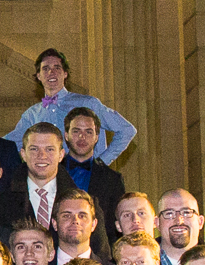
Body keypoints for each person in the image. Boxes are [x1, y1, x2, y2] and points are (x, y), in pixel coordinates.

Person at [9, 49, 137, 165]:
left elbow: (126, 130)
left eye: (57, 68)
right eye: (45, 68)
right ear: (38, 76)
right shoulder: (32, 114)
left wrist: (102, 162)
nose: (51, 72)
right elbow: (10, 145)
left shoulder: (88, 103)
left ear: (65, 73)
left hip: (86, 181)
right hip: (49, 183)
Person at [60, 108, 127, 227]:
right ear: (66, 135)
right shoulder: (51, 173)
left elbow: (115, 226)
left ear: (96, 137)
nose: (82, 136)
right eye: (76, 131)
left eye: (89, 132)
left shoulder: (113, 180)